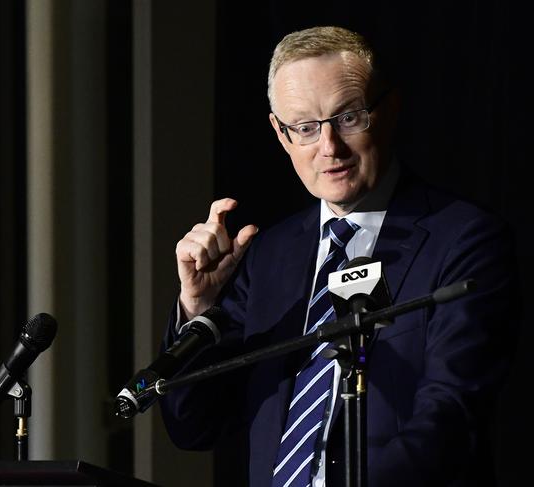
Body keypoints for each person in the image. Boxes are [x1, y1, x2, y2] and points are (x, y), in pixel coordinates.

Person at [159, 25, 518, 487]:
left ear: (388, 109)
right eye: (305, 128)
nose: (329, 148)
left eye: (349, 118)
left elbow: (450, 416)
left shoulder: (465, 240)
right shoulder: (270, 255)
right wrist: (197, 309)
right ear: (280, 133)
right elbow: (193, 424)